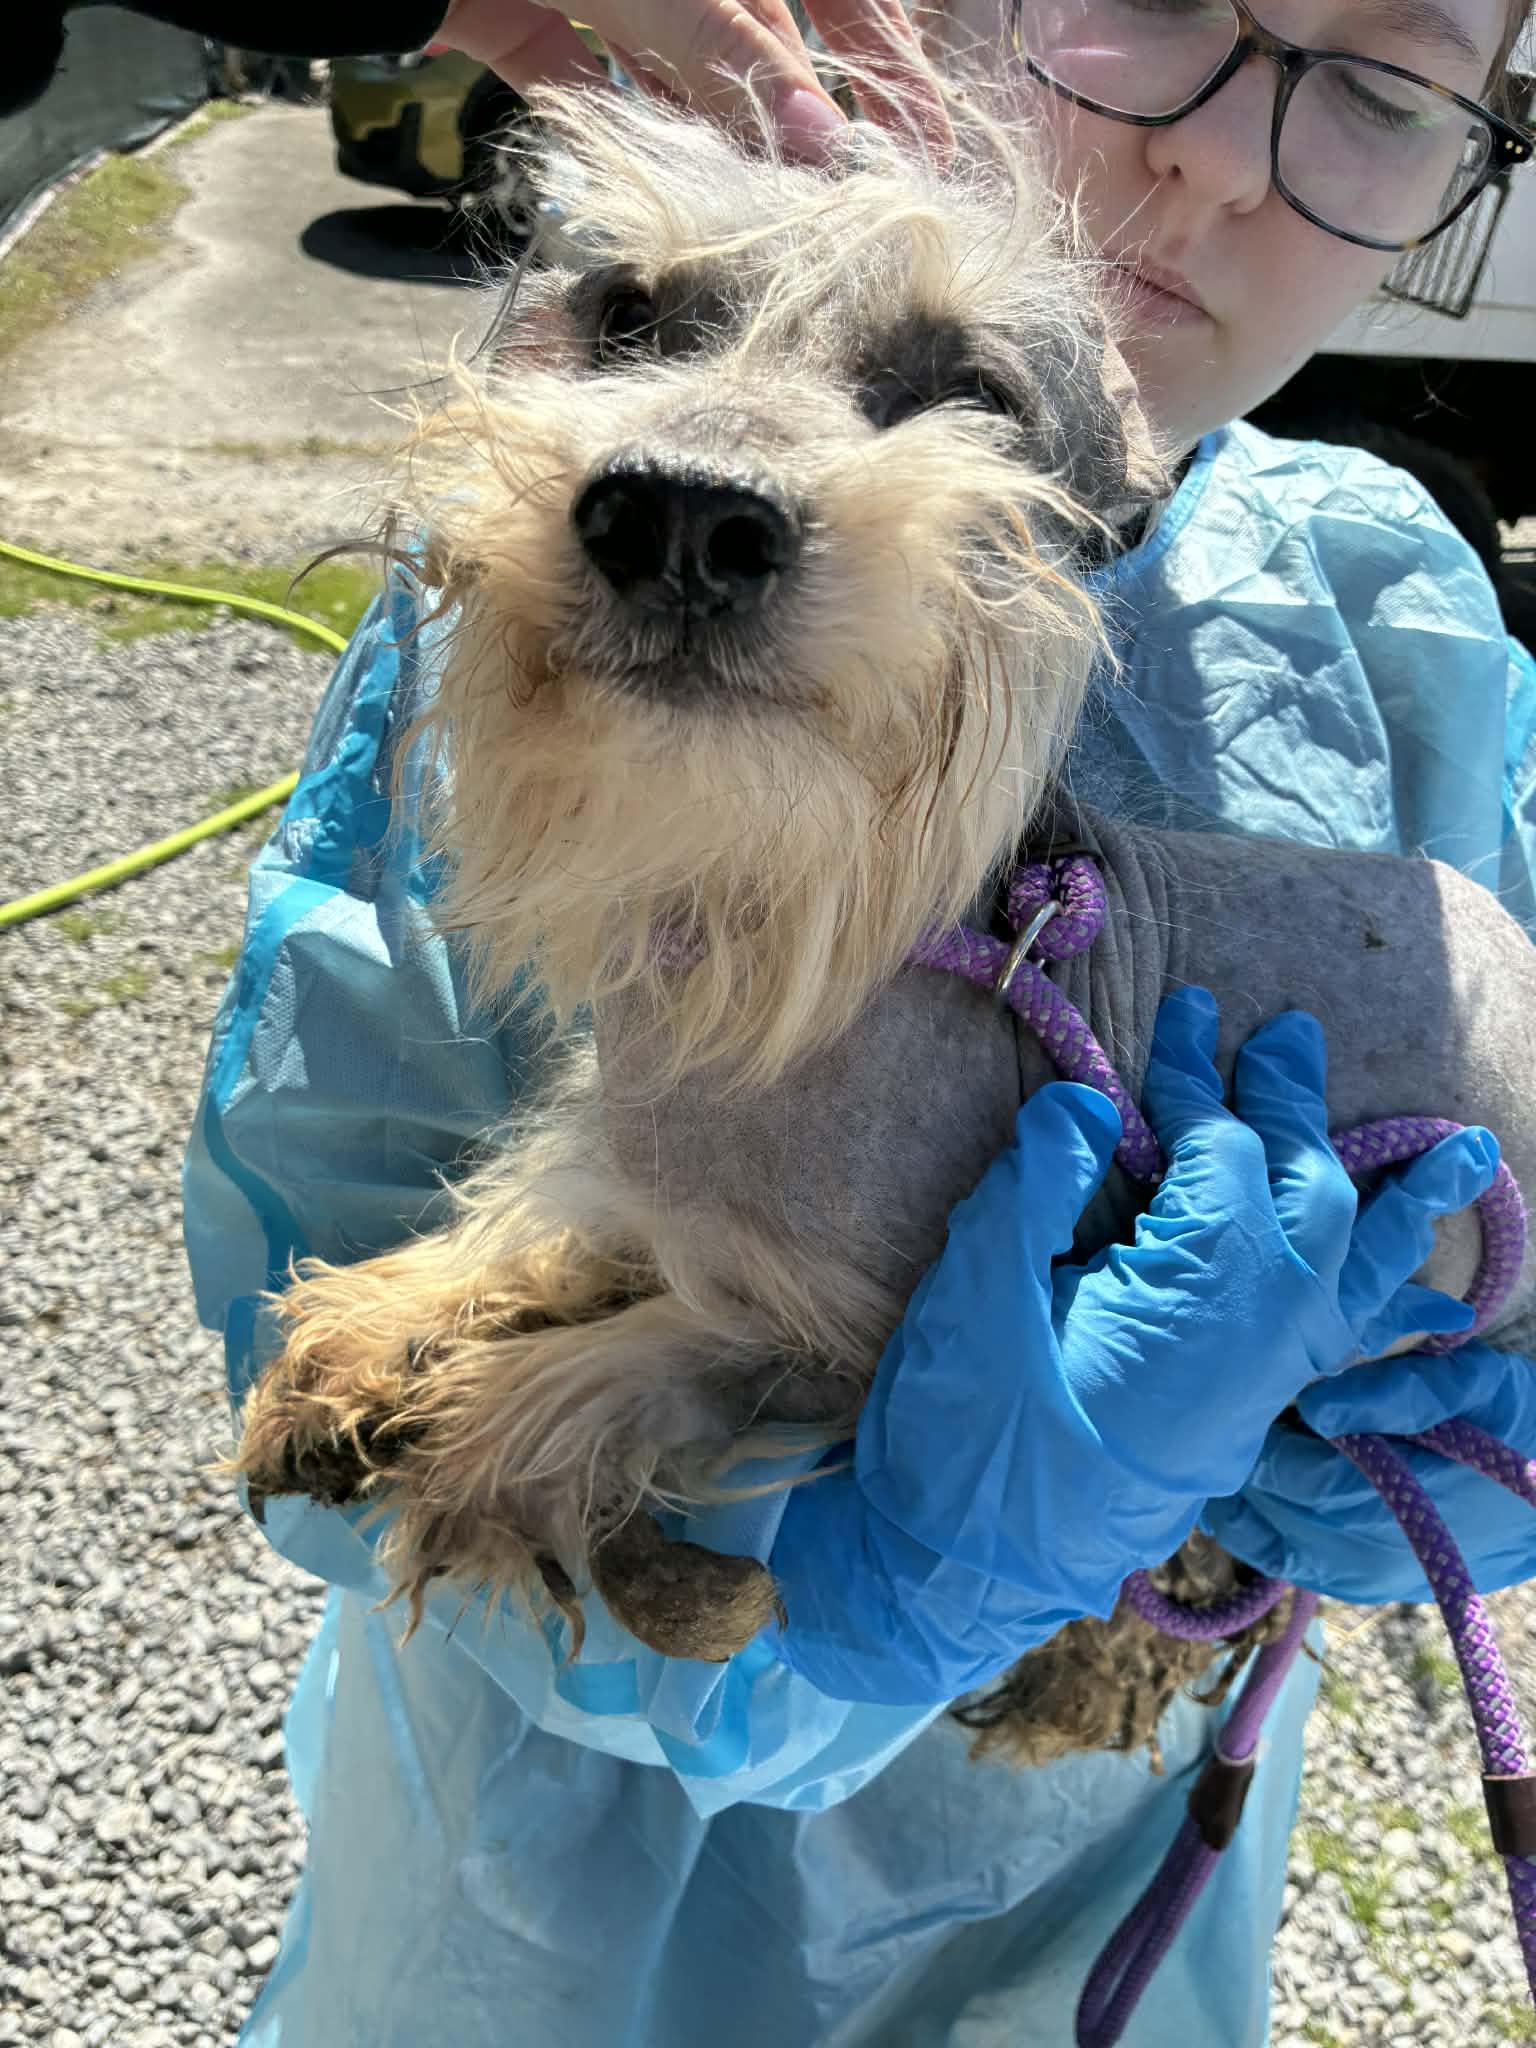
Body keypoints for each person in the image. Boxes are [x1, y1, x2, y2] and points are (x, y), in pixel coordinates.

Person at [166, 2, 1536, 2042]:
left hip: (1119, 1893)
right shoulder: (537, 570)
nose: (1224, 159)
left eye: (1379, 86)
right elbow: (341, 1407)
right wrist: (856, 1570)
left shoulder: (1386, 617)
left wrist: (1439, 1441)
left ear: (1470, 160)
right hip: (538, 1913)